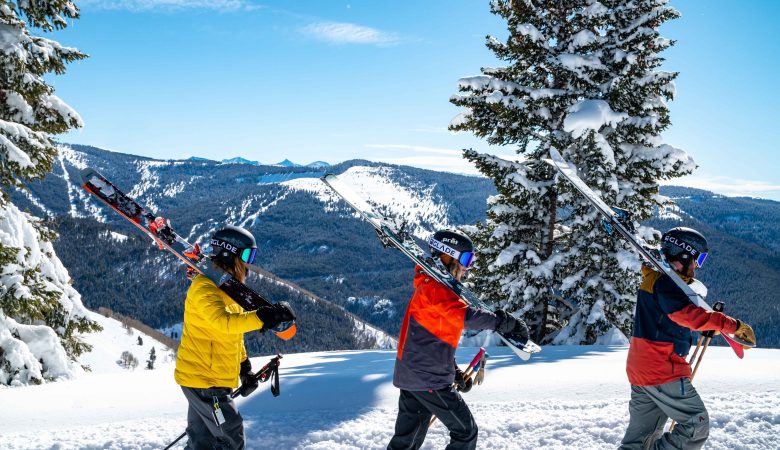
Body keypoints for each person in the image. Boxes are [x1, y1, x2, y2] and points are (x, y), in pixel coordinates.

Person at [387, 229, 530, 450]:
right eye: (465, 259)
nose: (466, 267)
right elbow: (465, 316)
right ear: (447, 256)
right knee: (466, 432)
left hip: (414, 375)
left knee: (408, 441)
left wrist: (453, 371)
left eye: (470, 260)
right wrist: (502, 322)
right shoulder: (434, 289)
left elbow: (433, 338)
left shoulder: (431, 286)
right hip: (428, 380)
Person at [619, 227, 756, 450]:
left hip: (641, 369)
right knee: (696, 426)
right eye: (698, 258)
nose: (697, 266)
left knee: (639, 440)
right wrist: (731, 324)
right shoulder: (666, 283)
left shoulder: (656, 279)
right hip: (662, 370)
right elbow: (686, 316)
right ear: (684, 254)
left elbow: (667, 321)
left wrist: (706, 325)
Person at [174, 225, 295, 449]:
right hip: (206, 383)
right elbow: (225, 323)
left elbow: (233, 334)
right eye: (247, 254)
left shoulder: (228, 291)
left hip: (206, 379)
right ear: (231, 253)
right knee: (231, 434)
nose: (248, 263)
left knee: (202, 441)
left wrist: (243, 367)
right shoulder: (204, 288)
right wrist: (262, 316)